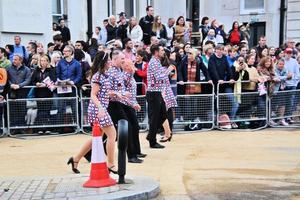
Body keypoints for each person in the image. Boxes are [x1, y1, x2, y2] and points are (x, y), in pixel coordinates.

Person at [68, 51, 118, 174]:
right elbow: (93, 95)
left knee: (97, 138)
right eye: (109, 61)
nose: (110, 62)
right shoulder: (97, 76)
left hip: (100, 108)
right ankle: (111, 164)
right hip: (98, 109)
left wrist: (115, 94)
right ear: (104, 62)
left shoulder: (103, 75)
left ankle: (76, 158)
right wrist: (101, 108)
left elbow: (103, 93)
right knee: (112, 135)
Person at [146, 45, 173, 148]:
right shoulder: (154, 62)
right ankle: (152, 141)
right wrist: (168, 71)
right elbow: (158, 77)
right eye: (161, 50)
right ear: (156, 52)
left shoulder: (156, 62)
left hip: (157, 92)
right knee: (155, 117)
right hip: (154, 93)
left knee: (162, 115)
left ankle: (151, 136)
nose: (163, 52)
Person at [122, 58, 146, 163]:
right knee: (131, 128)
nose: (134, 67)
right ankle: (132, 155)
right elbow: (125, 94)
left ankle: (136, 151)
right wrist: (134, 104)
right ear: (126, 67)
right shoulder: (125, 77)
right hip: (125, 105)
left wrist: (134, 103)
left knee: (135, 127)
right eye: (131, 65)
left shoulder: (130, 76)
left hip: (130, 104)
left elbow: (131, 93)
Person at [31, 55, 56, 131]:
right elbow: (32, 80)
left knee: (47, 110)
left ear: (47, 62)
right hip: (38, 93)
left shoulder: (51, 70)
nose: (43, 62)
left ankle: (47, 128)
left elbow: (53, 80)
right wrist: (36, 84)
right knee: (40, 110)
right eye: (41, 61)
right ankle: (40, 128)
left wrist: (45, 84)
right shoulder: (36, 70)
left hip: (48, 93)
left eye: (44, 61)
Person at [7, 54, 32, 128]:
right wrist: (11, 85)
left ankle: (22, 128)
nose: (13, 61)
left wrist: (19, 86)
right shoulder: (8, 69)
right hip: (12, 92)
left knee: (22, 111)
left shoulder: (27, 69)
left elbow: (28, 80)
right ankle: (13, 128)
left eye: (15, 59)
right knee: (13, 111)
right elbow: (7, 79)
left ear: (20, 60)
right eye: (13, 59)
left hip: (22, 93)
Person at [283, 48, 300, 123]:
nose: (289, 54)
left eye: (290, 53)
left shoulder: (294, 62)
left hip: (292, 85)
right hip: (283, 84)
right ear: (285, 53)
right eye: (287, 53)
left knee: (290, 102)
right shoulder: (281, 60)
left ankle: (288, 117)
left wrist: (292, 78)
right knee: (282, 102)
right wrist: (285, 78)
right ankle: (281, 118)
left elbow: (297, 75)